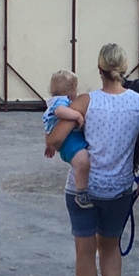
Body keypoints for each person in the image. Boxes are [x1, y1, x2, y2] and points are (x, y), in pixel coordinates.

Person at [45, 43, 139, 276]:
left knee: (85, 252)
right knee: (110, 247)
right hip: (119, 190)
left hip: (83, 189)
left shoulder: (86, 101)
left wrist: (68, 147)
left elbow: (55, 139)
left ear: (100, 70)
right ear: (125, 69)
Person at [42, 70, 92, 209]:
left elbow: (48, 127)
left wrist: (49, 145)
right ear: (71, 91)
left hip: (68, 138)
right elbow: (60, 112)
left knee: (83, 161)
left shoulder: (55, 102)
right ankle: (81, 193)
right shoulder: (61, 101)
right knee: (82, 162)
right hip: (68, 140)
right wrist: (77, 116)